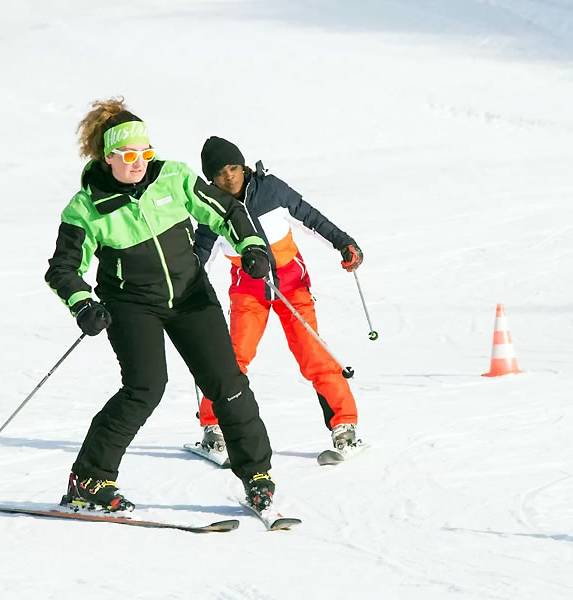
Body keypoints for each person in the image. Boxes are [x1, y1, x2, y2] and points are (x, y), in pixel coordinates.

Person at [44, 99, 277, 512]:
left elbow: (226, 211)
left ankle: (257, 474)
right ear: (108, 157)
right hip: (131, 304)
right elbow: (63, 268)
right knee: (145, 388)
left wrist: (252, 245)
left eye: (145, 153)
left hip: (190, 294)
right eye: (129, 156)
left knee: (228, 383)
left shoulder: (173, 177)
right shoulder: (86, 208)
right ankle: (89, 480)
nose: (139, 163)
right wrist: (83, 304)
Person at [193, 136, 364, 458]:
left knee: (313, 354)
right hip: (248, 289)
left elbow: (310, 218)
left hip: (292, 284)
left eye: (233, 168)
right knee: (232, 358)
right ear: (210, 180)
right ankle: (214, 427)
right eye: (219, 173)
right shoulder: (210, 210)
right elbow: (198, 257)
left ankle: (345, 426)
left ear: (243, 167)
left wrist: (345, 243)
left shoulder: (270, 189)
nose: (228, 176)